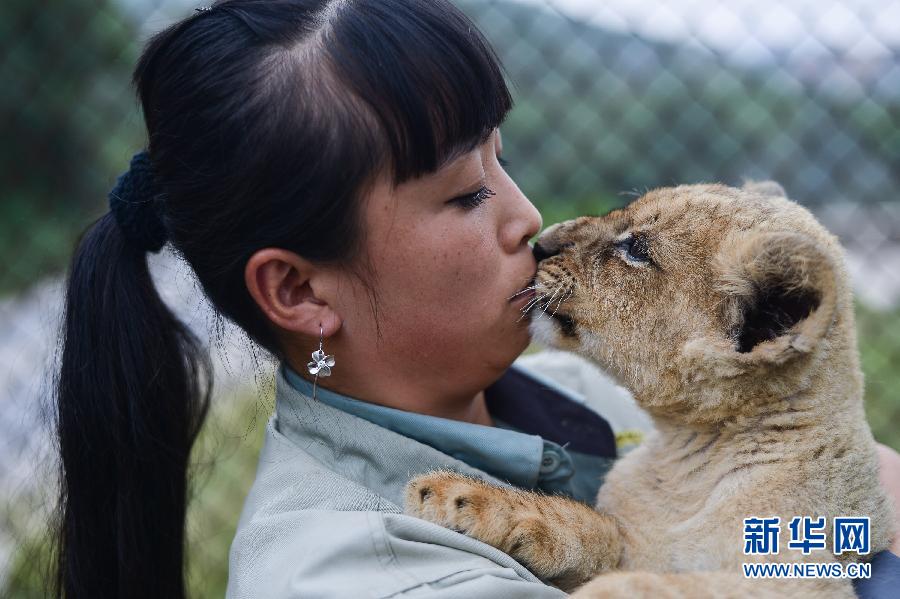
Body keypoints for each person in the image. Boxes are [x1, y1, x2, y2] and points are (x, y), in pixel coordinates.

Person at [54, 0, 900, 597]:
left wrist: (838, 535)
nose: (531, 215)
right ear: (299, 289)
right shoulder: (353, 575)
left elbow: (812, 533)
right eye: (466, 194)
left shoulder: (580, 386)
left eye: (502, 156)